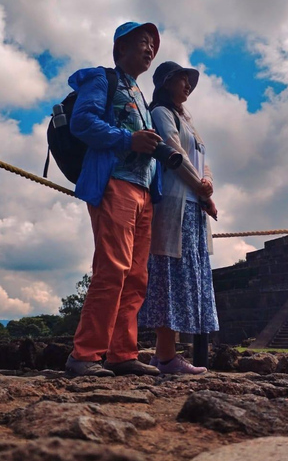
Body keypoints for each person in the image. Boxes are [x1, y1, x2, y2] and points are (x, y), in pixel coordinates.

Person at [64, 22, 164, 377]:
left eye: (153, 44)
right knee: (113, 269)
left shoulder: (139, 93)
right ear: (119, 48)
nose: (150, 48)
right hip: (115, 183)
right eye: (142, 42)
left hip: (144, 191)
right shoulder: (101, 78)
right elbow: (83, 122)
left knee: (137, 275)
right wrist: (127, 140)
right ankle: (85, 355)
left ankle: (123, 353)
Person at [138, 61, 219, 375]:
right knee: (169, 276)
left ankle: (165, 355)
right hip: (175, 204)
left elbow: (202, 160)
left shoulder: (188, 119)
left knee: (186, 276)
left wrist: (207, 183)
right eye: (182, 80)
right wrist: (202, 189)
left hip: (193, 206)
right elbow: (175, 155)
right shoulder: (161, 113)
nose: (187, 85)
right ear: (166, 82)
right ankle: (168, 356)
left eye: (189, 81)